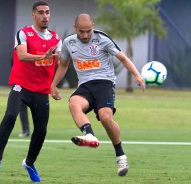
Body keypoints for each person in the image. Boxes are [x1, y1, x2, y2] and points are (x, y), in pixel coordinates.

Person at [50, 13, 145, 177]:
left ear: (92, 26)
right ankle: (89, 135)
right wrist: (53, 84)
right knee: (73, 103)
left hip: (105, 83)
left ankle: (120, 156)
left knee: (105, 117)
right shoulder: (68, 42)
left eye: (88, 31)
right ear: (75, 29)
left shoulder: (102, 39)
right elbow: (64, 65)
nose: (86, 35)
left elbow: (122, 58)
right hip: (85, 85)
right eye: (82, 32)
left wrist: (136, 75)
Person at [0, 1, 62, 182]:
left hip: (41, 90)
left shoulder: (56, 38)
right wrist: (42, 56)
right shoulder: (24, 33)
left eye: (47, 12)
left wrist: (54, 85)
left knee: (41, 130)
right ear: (33, 15)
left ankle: (29, 163)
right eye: (41, 12)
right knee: (11, 115)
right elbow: (22, 55)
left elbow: (61, 63)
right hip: (21, 85)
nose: (45, 16)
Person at [10, 57, 30, 137]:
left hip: (32, 83)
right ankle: (26, 130)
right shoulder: (18, 52)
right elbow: (13, 64)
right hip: (21, 82)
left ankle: (37, 131)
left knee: (38, 109)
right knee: (21, 107)